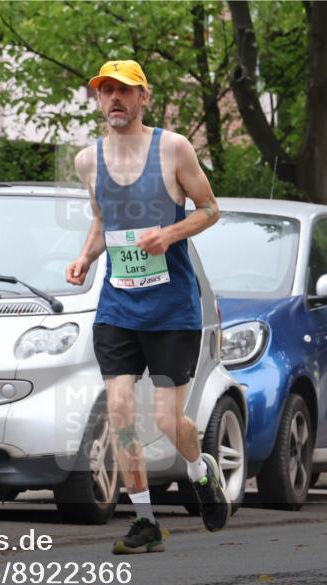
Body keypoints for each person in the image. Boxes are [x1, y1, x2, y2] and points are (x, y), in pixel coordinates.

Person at [66, 60, 229, 555]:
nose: (114, 98)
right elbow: (103, 221)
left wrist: (171, 232)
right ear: (98, 99)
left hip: (172, 309)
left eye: (124, 90)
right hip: (118, 305)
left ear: (143, 98)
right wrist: (85, 257)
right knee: (118, 411)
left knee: (164, 419)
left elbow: (210, 209)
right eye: (105, 90)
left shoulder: (173, 149)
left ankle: (201, 473)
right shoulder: (86, 161)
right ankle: (144, 521)